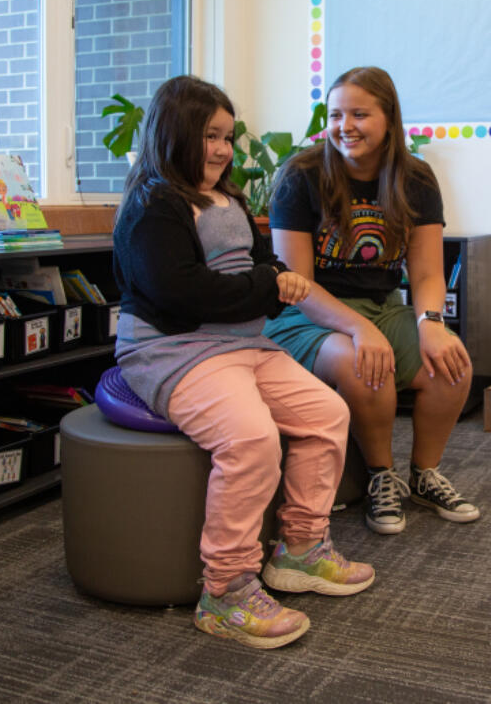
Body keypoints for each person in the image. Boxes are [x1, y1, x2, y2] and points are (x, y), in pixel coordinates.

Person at [112, 75, 373, 651]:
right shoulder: (154, 205)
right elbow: (184, 295)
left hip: (242, 346)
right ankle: (225, 591)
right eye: (210, 135)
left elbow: (262, 265)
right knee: (252, 438)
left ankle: (301, 549)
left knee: (328, 412)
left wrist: (274, 277)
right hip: (173, 349)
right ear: (175, 133)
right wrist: (266, 285)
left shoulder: (229, 199)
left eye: (228, 137)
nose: (223, 149)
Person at [265, 65, 480, 536]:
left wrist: (431, 323)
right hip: (305, 315)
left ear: (389, 119)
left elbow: (425, 272)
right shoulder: (300, 175)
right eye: (336, 114)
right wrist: (360, 329)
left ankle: (423, 474)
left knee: (452, 364)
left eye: (359, 114)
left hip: (383, 307)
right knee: (366, 364)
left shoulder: (416, 177)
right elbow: (296, 283)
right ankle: (382, 477)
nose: (345, 126)